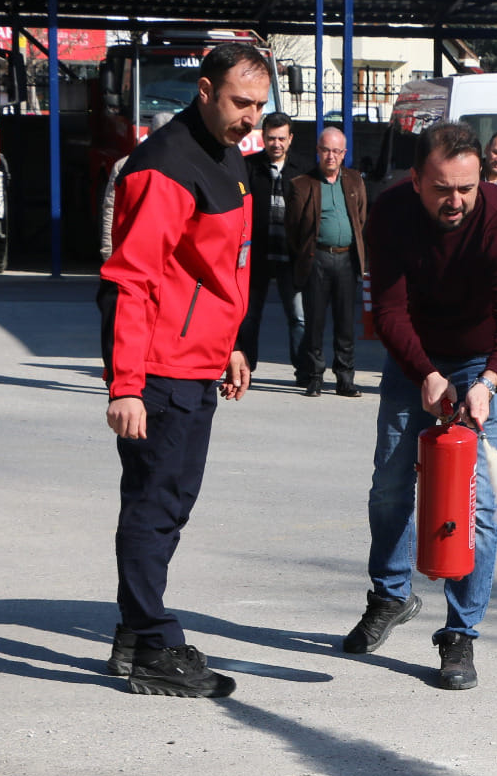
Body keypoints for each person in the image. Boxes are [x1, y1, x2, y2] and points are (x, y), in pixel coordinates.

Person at [97, 42, 268, 698]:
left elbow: (212, 269)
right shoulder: (163, 165)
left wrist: (229, 345)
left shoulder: (228, 157)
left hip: (197, 360)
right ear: (204, 90)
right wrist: (126, 384)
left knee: (164, 501)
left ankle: (133, 635)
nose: (250, 117)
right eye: (239, 102)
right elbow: (130, 281)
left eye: (259, 105)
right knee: (156, 503)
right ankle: (155, 644)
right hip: (160, 371)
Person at [343, 121, 497, 690]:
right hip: (417, 353)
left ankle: (460, 633)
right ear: (416, 179)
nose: (456, 201)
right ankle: (391, 595)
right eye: (442, 189)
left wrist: (489, 381)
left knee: (475, 500)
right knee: (392, 482)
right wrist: (426, 373)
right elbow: (391, 311)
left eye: (466, 189)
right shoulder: (392, 212)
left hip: (486, 358)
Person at [286, 127, 366, 397]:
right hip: (317, 258)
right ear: (317, 151)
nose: (330, 156)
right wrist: (307, 253)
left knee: (345, 323)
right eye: (325, 150)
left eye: (336, 151)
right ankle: (314, 377)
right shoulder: (302, 184)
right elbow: (294, 228)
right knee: (315, 322)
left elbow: (361, 218)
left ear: (344, 154)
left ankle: (345, 378)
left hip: (346, 258)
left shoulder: (355, 181)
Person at [238, 110, 311, 385]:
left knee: (298, 316)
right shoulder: (248, 167)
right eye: (271, 138)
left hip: (290, 257)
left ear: (290, 139)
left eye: (281, 138)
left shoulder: (304, 171)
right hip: (255, 255)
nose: (276, 144)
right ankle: (246, 368)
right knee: (248, 315)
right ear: (263, 138)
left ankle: (303, 370)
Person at [98, 112, 174, 263]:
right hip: (139, 254)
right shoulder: (124, 166)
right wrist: (108, 250)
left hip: (163, 256)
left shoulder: (188, 170)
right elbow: (111, 208)